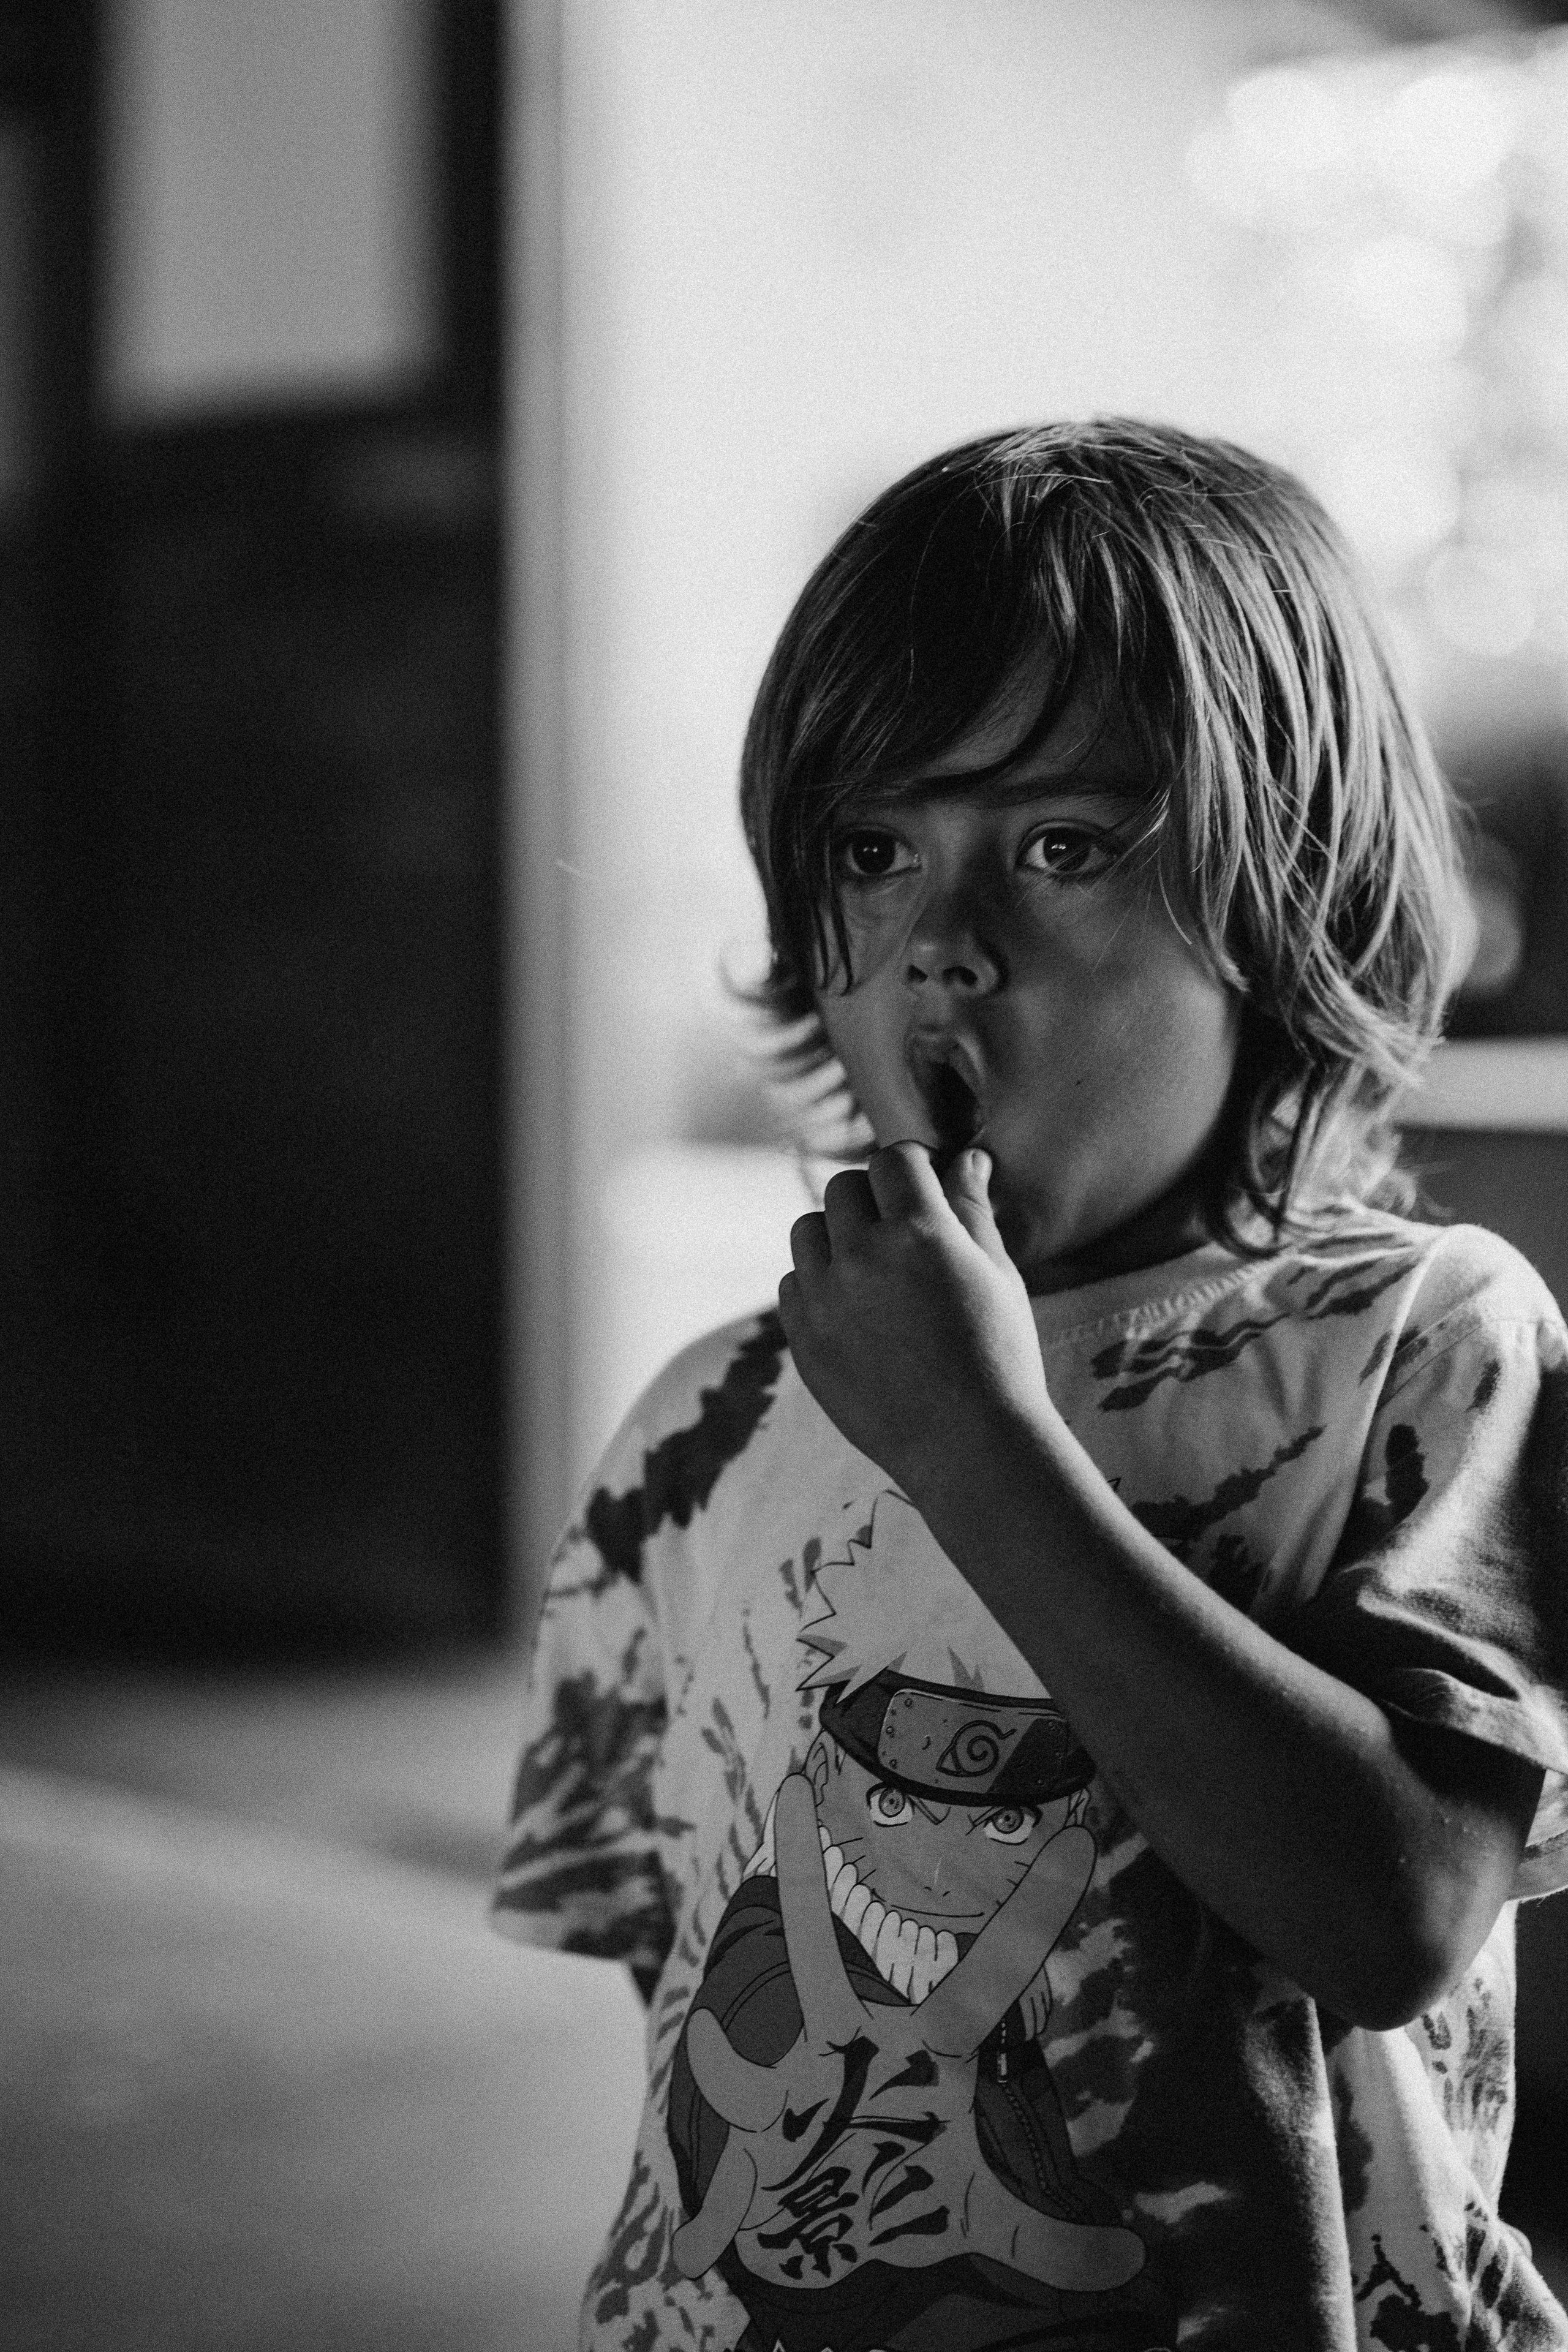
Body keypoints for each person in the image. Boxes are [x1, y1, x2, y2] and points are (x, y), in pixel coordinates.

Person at [493, 421, 1568, 2351]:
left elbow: (1393, 1920)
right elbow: (684, 1975)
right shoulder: (707, 1419)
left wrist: (983, 1445)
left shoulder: (1417, 1344)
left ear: (1288, 905)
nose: (943, 948)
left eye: (1064, 848)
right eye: (874, 852)